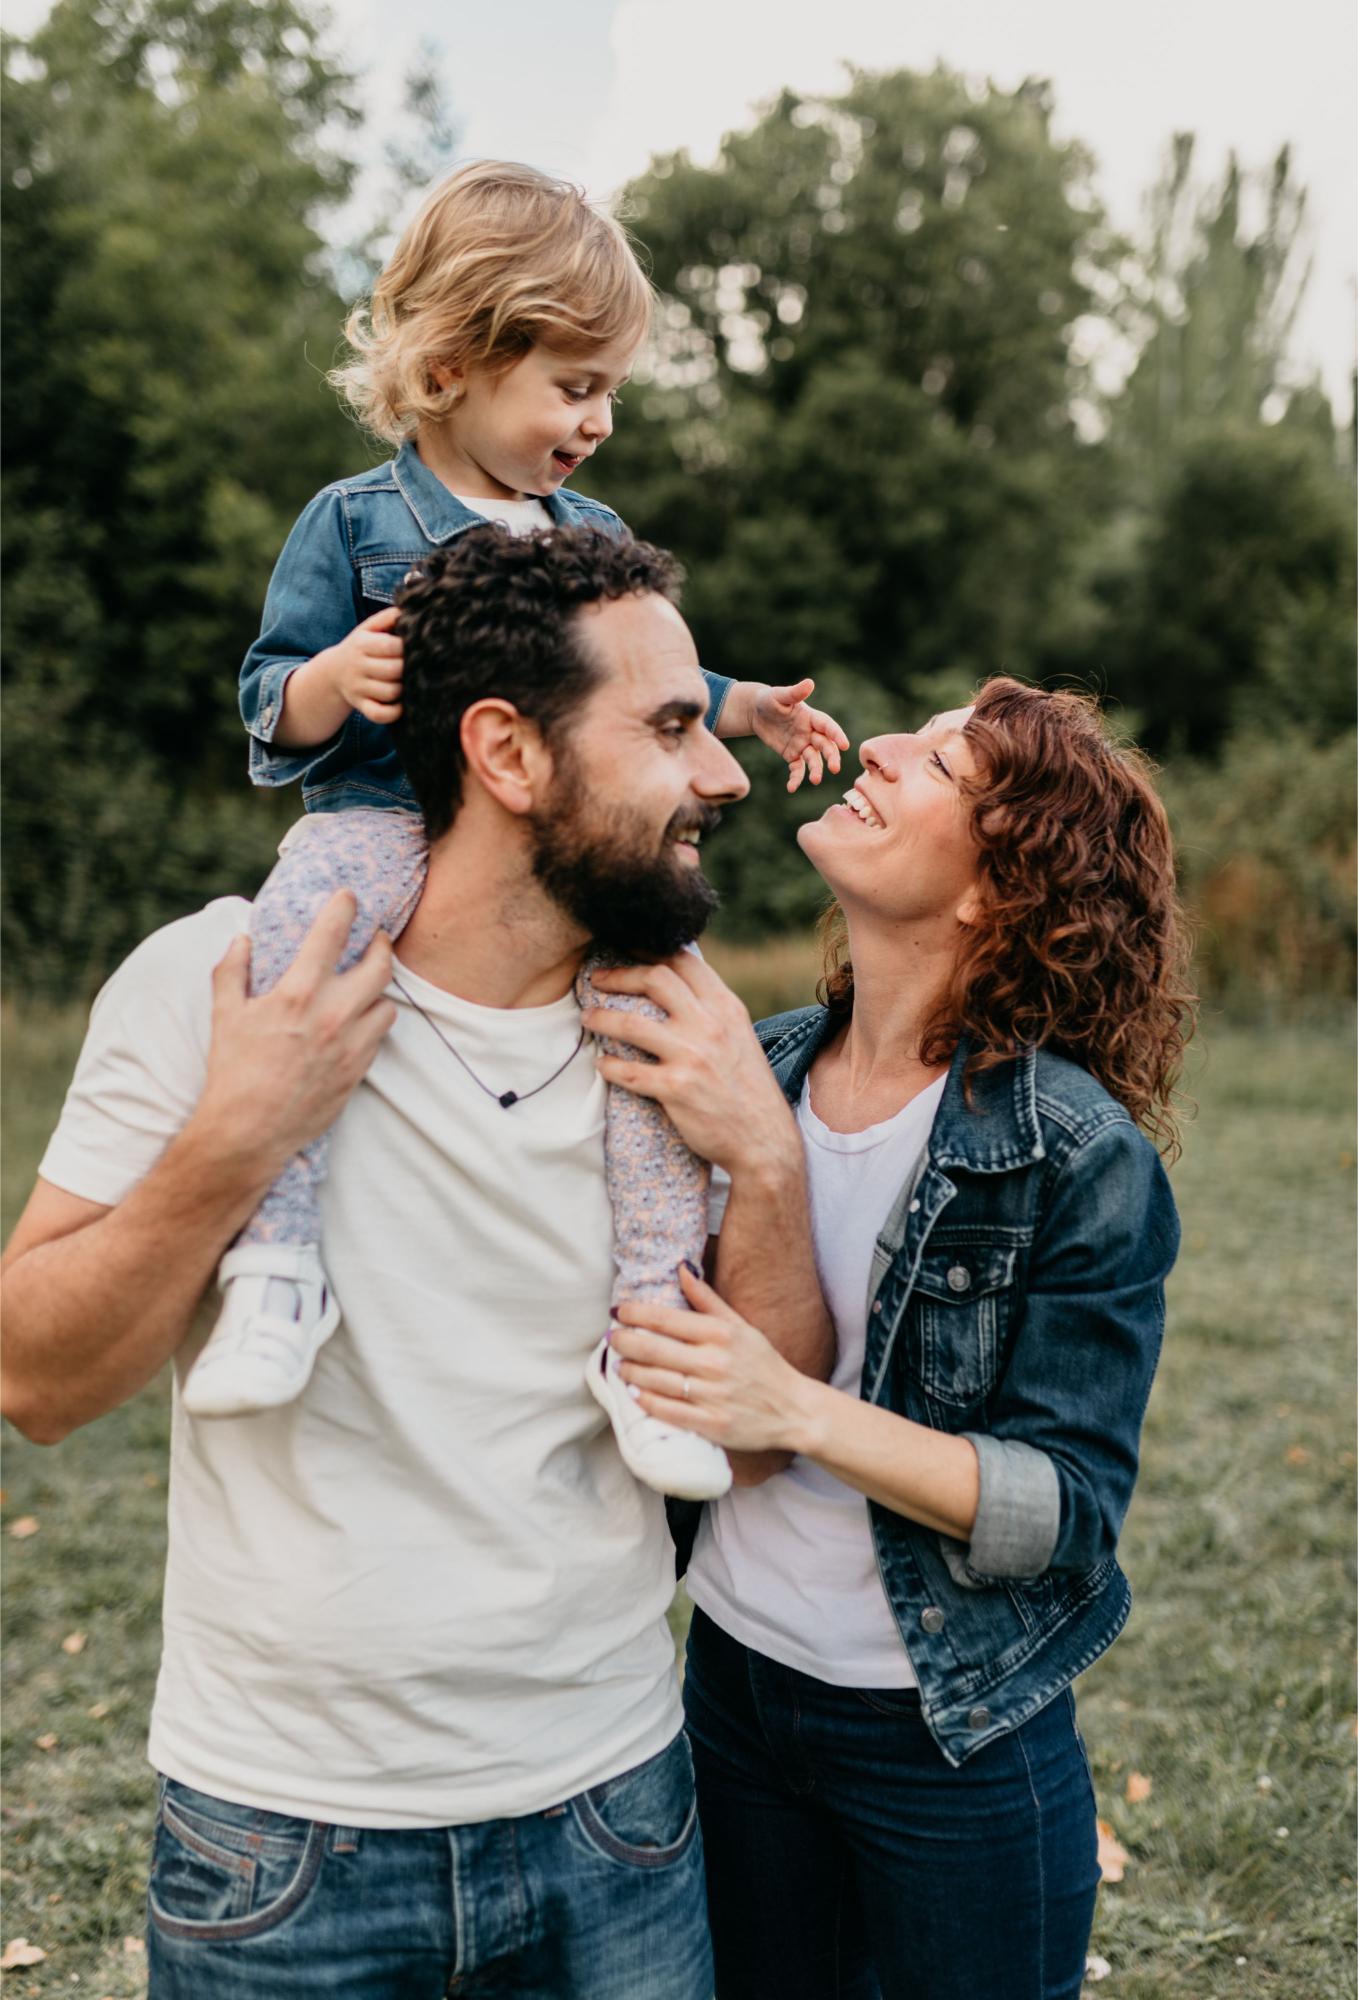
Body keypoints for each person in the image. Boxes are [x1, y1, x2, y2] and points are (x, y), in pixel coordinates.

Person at [0, 524, 833, 1999]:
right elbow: (36, 1381)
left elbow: (761, 1443)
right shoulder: (222, 983)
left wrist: (763, 1160)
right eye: (669, 727)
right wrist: (240, 1135)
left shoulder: (686, 1043)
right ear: (506, 752)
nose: (723, 775)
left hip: (615, 1810)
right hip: (281, 1838)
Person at [197, 157, 848, 1510]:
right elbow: (268, 699)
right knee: (296, 949)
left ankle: (647, 1317)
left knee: (655, 1032)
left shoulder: (586, 529)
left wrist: (743, 709)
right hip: (386, 817)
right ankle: (278, 1261)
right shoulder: (353, 524)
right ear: (450, 366)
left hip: (558, 852)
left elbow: (648, 677)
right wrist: (334, 681)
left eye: (609, 391)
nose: (597, 421)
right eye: (572, 386)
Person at [593, 679, 1196, 2000]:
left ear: (992, 889)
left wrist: (797, 1410)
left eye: (934, 763)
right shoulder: (753, 1067)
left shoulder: (1075, 1153)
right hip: (729, 1694)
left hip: (949, 1739)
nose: (870, 747)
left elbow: (1065, 1509)